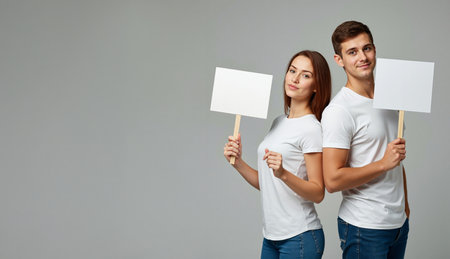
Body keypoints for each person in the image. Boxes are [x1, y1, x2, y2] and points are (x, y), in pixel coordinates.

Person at [223, 50, 331, 259]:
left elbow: (318, 192)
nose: (295, 78)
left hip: (300, 235)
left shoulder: (311, 129)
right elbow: (267, 183)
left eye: (306, 75)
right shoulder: (278, 122)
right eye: (292, 71)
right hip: (271, 237)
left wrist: (283, 173)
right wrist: (238, 163)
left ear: (317, 86)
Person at [321, 21, 410, 259]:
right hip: (364, 227)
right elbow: (332, 180)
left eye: (367, 48)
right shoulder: (339, 111)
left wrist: (405, 209)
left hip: (398, 224)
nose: (363, 57)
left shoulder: (391, 97)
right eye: (352, 52)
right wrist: (383, 163)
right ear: (339, 60)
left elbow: (395, 158)